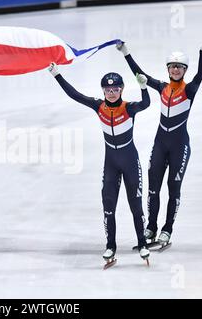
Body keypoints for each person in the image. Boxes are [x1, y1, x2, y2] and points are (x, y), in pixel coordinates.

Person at [116, 37, 202, 247]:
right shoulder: (162, 87)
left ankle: (167, 228)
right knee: (153, 187)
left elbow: (200, 76)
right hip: (161, 144)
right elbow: (140, 74)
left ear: (184, 70)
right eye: (172, 67)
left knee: (173, 188)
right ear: (168, 69)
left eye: (179, 67)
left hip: (180, 146)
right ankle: (151, 226)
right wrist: (126, 52)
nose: (175, 70)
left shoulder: (189, 90)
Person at [48, 62, 151, 265]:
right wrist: (56, 74)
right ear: (103, 90)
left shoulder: (128, 108)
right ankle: (110, 246)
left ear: (121, 89)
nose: (111, 93)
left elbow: (146, 104)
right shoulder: (99, 106)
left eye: (115, 89)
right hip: (111, 163)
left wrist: (144, 87)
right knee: (108, 206)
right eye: (107, 90)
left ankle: (142, 243)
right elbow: (75, 95)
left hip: (130, 162)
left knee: (135, 206)